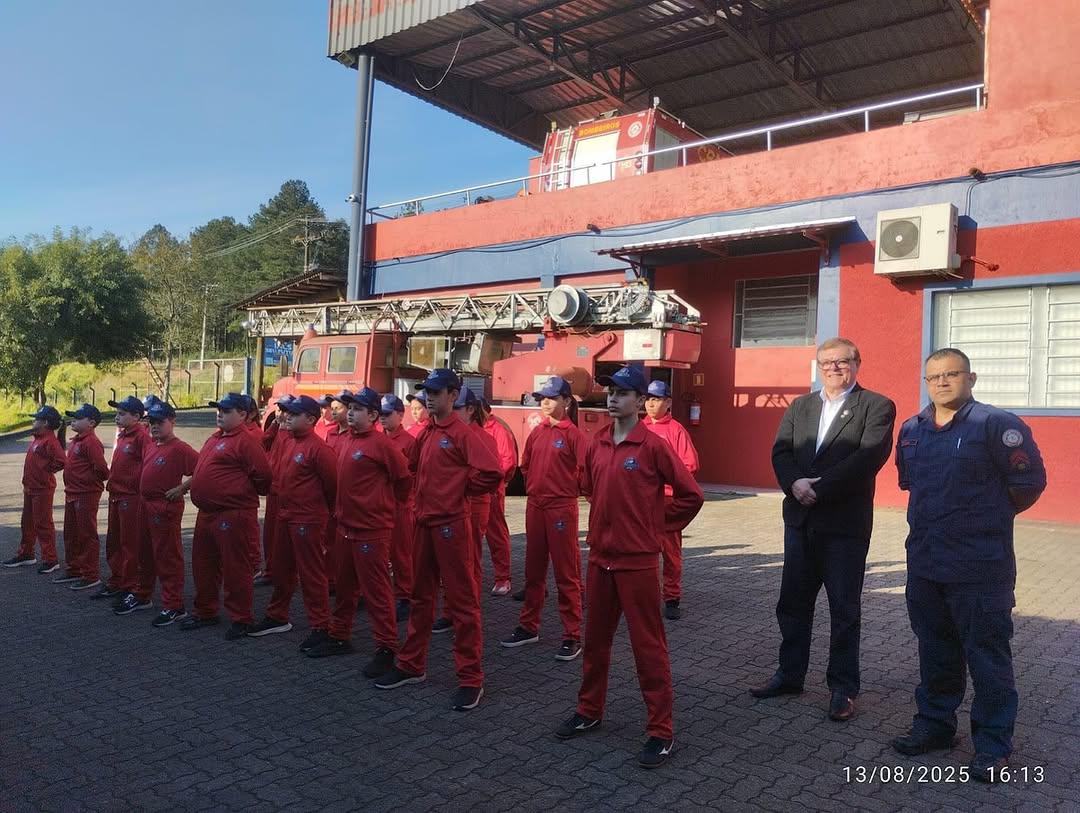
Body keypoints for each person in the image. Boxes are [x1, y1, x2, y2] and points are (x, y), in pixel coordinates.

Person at [891, 348, 1046, 784]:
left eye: (951, 374)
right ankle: (936, 726)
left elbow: (1028, 483)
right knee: (935, 649)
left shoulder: (997, 425)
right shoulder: (911, 430)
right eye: (933, 376)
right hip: (925, 562)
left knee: (988, 657)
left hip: (981, 566)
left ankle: (993, 745)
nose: (941, 382)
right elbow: (910, 483)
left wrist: (985, 520)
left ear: (971, 378)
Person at [555, 366, 703, 769]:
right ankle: (589, 710)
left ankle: (661, 731)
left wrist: (655, 527)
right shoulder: (597, 442)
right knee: (596, 641)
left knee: (648, 648)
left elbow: (691, 496)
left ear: (641, 402)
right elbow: (588, 486)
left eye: (623, 393)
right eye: (611, 391)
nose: (613, 398)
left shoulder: (653, 446)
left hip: (637, 563)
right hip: (599, 559)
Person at [750, 337, 896, 724]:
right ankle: (790, 675)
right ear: (818, 366)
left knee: (844, 609)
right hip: (800, 520)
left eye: (842, 361)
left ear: (857, 362)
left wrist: (818, 488)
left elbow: (869, 456)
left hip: (844, 525)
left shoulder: (876, 406)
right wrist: (795, 483)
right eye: (826, 362)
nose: (833, 368)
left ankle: (843, 688)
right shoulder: (801, 406)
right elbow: (781, 451)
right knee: (792, 604)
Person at [374, 369, 501, 712]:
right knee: (420, 596)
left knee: (462, 602)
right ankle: (411, 664)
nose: (428, 397)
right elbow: (411, 466)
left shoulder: (461, 433)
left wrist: (459, 492)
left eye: (435, 391)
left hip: (451, 526)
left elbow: (491, 472)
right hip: (425, 524)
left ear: (453, 394)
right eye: (426, 392)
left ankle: (470, 678)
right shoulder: (429, 432)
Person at [308, 388, 410, 678]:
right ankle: (340, 635)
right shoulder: (345, 440)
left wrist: (381, 508)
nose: (350, 412)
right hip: (345, 527)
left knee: (377, 592)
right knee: (345, 587)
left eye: (358, 409)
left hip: (371, 531)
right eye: (349, 408)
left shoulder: (382, 445)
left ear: (374, 415)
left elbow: (403, 481)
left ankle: (387, 647)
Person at [501, 376, 587, 661]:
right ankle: (529, 626)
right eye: (542, 398)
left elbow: (586, 474)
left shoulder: (574, 436)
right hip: (535, 507)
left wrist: (565, 491)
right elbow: (525, 467)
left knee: (566, 574)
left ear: (566, 401)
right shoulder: (537, 433)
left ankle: (572, 634)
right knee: (533, 571)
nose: (545, 402)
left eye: (551, 397)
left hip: (561, 509)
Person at [178, 392, 273, 639]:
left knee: (236, 568)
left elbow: (263, 476)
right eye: (218, 409)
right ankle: (206, 611)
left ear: (243, 414)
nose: (219, 414)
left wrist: (237, 492)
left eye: (226, 410)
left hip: (233, 513)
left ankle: (241, 618)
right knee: (203, 565)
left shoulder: (247, 441)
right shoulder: (216, 437)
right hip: (207, 513)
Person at [249, 395, 338, 648]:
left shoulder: (319, 449)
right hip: (287, 516)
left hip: (308, 520)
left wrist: (323, 514)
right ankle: (277, 615)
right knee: (281, 569)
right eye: (286, 412)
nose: (286, 416)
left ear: (310, 419)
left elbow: (332, 486)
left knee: (312, 575)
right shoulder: (288, 441)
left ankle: (321, 626)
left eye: (293, 413)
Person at [116, 401, 200, 625]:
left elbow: (202, 468)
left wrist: (182, 488)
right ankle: (142, 594)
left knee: (167, 556)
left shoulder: (180, 448)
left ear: (172, 422)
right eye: (151, 422)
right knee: (143, 552)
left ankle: (174, 604)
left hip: (164, 507)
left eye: (159, 422)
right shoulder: (151, 444)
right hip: (144, 504)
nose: (154, 426)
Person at [642, 380, 700, 620]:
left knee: (670, 553)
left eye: (657, 399)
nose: (651, 404)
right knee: (643, 551)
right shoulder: (638, 428)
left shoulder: (676, 430)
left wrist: (664, 481)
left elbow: (690, 465)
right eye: (648, 399)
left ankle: (672, 597)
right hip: (641, 502)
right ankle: (643, 596)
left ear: (668, 402)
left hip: (666, 502)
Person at [95, 396, 150, 603]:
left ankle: (130, 584)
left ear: (136, 416)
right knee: (114, 541)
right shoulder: (124, 435)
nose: (117, 417)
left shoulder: (142, 437)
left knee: (129, 543)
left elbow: (148, 464)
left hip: (131, 497)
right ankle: (117, 580)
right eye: (117, 413)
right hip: (116, 495)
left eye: (122, 413)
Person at [52, 404, 110, 591]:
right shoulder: (77, 440)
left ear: (91, 423)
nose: (73, 421)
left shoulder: (91, 442)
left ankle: (90, 574)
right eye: (73, 418)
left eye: (78, 418)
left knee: (86, 534)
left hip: (85, 494)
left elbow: (101, 469)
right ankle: (74, 568)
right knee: (71, 534)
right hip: (72, 492)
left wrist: (87, 482)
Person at [3, 405, 65, 573]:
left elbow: (61, 460)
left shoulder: (49, 440)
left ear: (45, 422)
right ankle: (27, 553)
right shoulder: (38, 438)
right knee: (27, 523)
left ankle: (50, 559)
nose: (33, 421)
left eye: (36, 419)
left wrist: (46, 471)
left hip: (42, 488)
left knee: (43, 524)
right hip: (30, 487)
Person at [378, 394, 417, 622]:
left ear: (400, 415)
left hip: (401, 505)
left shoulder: (409, 442)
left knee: (402, 554)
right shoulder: (376, 439)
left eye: (387, 414)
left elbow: (413, 475)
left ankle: (406, 596)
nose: (382, 419)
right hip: (380, 505)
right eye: (380, 414)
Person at [254, 397, 294, 588]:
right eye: (279, 410)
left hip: (287, 494)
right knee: (269, 535)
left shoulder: (293, 434)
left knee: (283, 537)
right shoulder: (278, 430)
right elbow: (262, 443)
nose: (281, 414)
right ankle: (270, 570)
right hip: (273, 491)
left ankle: (284, 572)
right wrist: (276, 425)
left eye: (285, 411)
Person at [480, 397, 517, 596]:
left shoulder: (497, 430)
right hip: (472, 491)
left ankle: (503, 578)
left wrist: (494, 482)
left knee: (495, 533)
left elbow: (508, 462)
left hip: (491, 490)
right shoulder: (469, 429)